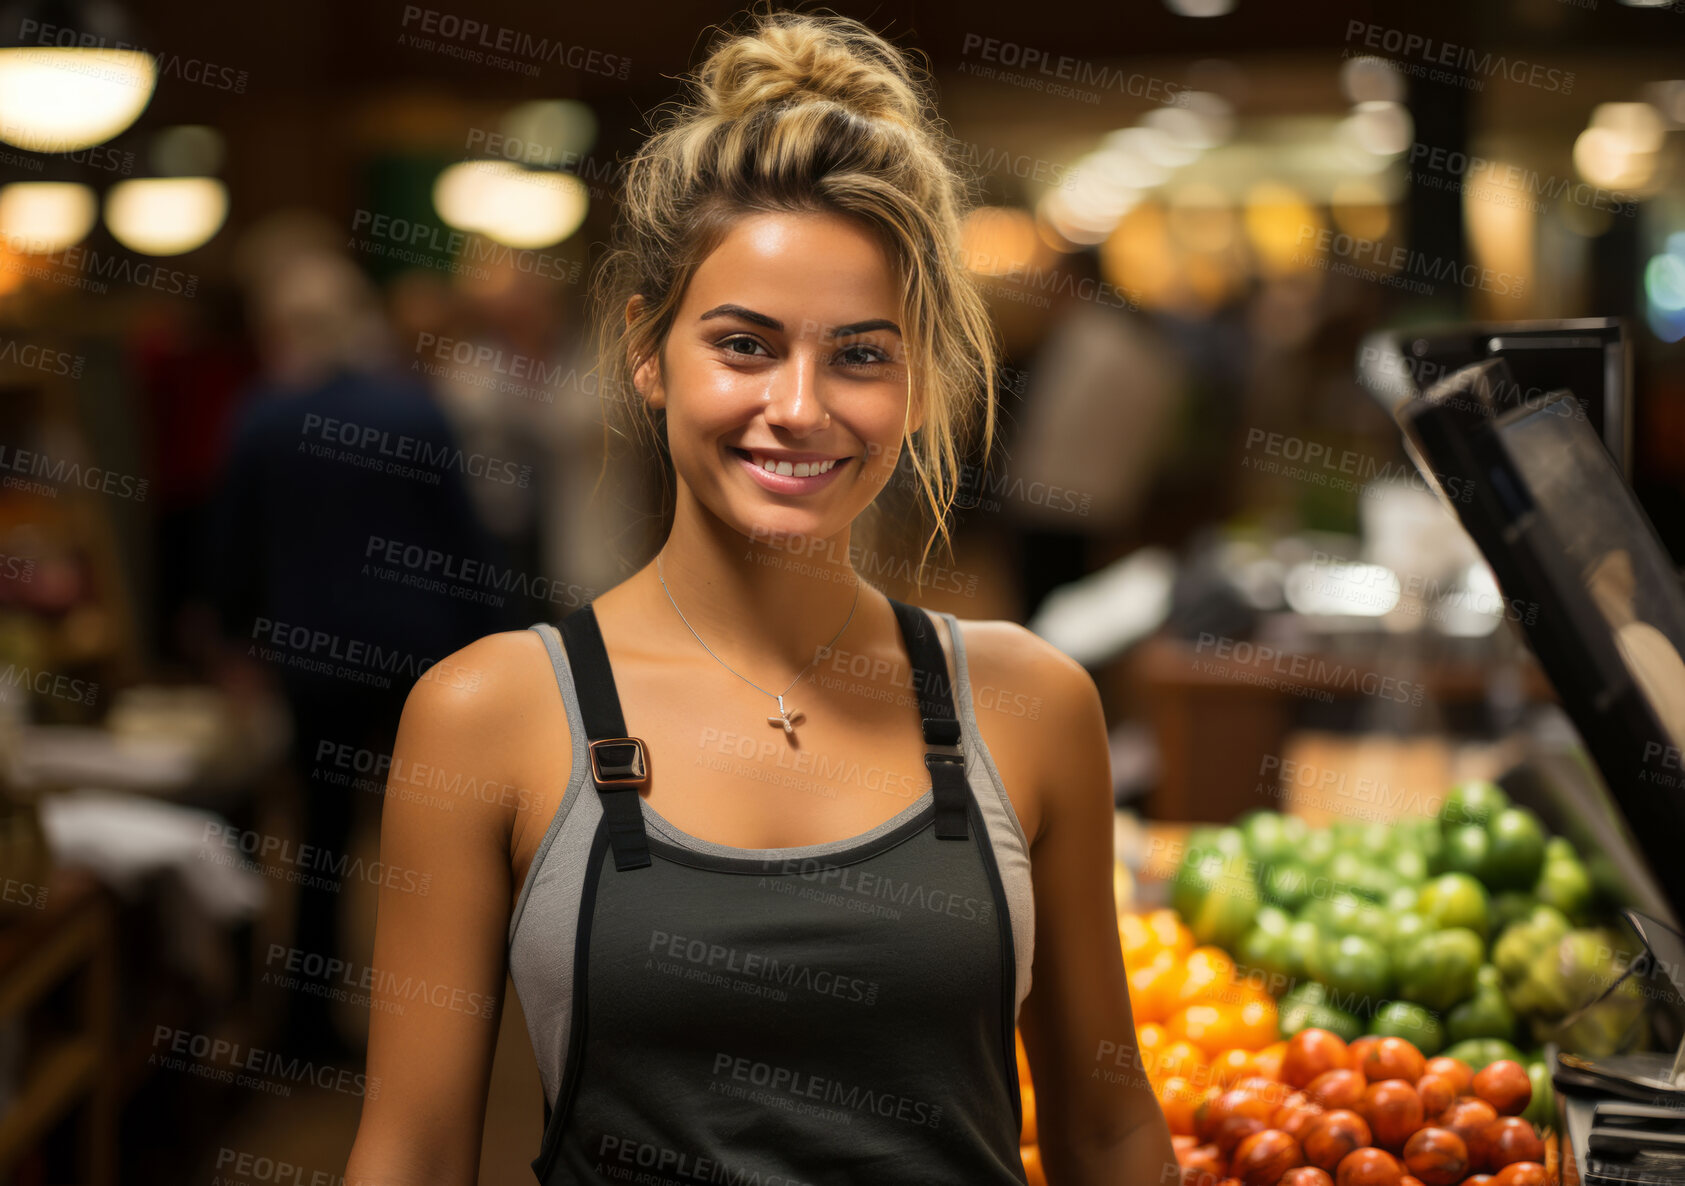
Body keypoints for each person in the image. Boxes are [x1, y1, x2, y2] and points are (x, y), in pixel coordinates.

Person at [344, 9, 1172, 1184]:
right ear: (647, 350)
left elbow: (1108, 1129)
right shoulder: (486, 715)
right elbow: (413, 1155)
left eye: (861, 353)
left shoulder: (1031, 705)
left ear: (922, 379)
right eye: (742, 345)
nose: (799, 405)